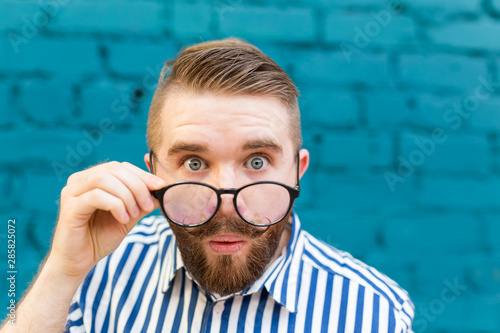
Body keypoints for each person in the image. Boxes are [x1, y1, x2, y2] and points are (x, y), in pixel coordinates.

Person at [1, 38, 414, 332]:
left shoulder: (373, 312)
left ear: (297, 171)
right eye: (194, 162)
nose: (226, 203)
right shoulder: (100, 271)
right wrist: (63, 269)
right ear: (154, 174)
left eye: (257, 161)